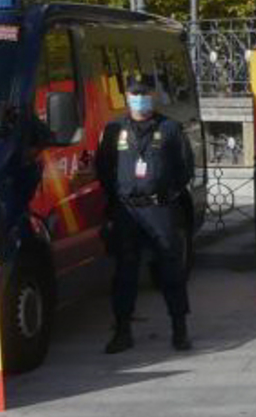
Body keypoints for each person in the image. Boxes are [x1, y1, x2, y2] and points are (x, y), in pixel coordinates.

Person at [96, 74, 195, 354]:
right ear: (127, 96)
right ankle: (122, 331)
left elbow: (185, 167)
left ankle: (179, 329)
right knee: (125, 272)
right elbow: (104, 167)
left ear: (153, 95)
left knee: (170, 269)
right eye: (135, 93)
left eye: (144, 93)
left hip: (158, 208)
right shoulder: (114, 129)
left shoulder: (170, 128)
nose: (140, 98)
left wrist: (167, 193)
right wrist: (117, 198)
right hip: (127, 211)